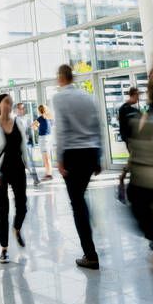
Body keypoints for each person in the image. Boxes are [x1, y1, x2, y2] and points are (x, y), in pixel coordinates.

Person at [52, 64, 102, 270]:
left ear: (61, 77)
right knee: (81, 198)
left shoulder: (59, 98)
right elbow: (97, 125)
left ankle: (90, 254)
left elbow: (62, 129)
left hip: (73, 154)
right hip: (90, 152)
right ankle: (91, 228)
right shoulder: (87, 97)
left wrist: (60, 157)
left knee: (78, 203)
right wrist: (99, 156)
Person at [0, 94, 30, 264]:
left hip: (18, 168)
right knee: (2, 209)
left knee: (22, 205)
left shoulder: (18, 122)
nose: (9, 105)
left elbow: (23, 145)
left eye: (11, 103)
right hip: (1, 171)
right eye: (6, 102)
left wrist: (27, 164)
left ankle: (17, 228)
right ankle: (4, 248)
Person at [116, 88, 140, 200]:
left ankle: (124, 178)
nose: (138, 98)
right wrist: (127, 140)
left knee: (134, 161)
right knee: (133, 159)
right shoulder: (123, 109)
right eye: (137, 96)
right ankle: (123, 177)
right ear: (133, 95)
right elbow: (122, 128)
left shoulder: (136, 111)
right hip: (131, 141)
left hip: (137, 141)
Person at [15, 103, 40, 186]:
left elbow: (32, 127)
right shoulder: (14, 119)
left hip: (26, 144)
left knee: (29, 162)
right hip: (17, 144)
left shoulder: (27, 118)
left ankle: (36, 179)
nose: (20, 110)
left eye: (22, 109)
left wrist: (34, 127)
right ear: (16, 110)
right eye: (19, 109)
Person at [35, 105, 54, 180]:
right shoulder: (49, 117)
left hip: (44, 138)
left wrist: (37, 127)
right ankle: (49, 173)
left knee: (45, 158)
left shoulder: (40, 118)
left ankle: (48, 174)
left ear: (39, 111)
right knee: (48, 157)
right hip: (49, 138)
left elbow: (33, 126)